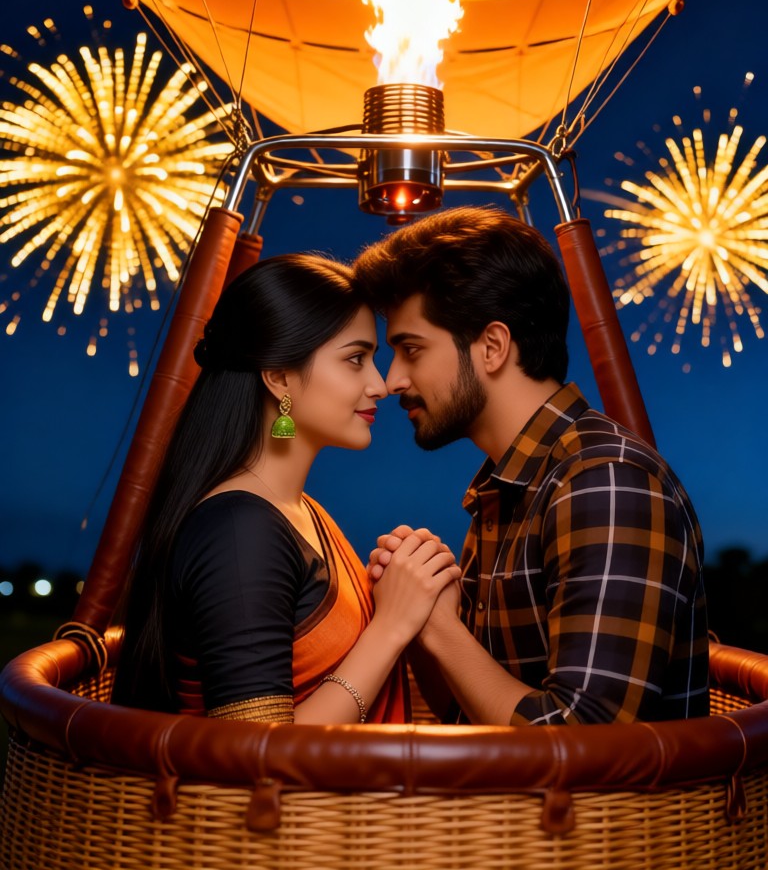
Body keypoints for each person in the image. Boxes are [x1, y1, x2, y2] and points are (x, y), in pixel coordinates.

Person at [356, 206, 709, 726]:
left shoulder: (603, 481)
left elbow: (584, 742)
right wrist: (415, 612)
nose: (392, 381)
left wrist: (439, 627)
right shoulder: (507, 487)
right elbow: (476, 713)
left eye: (411, 349)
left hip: (614, 810)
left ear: (492, 347)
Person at [112, 254, 460, 724]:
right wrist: (392, 625)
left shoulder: (299, 511)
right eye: (355, 359)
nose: (380, 385)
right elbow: (256, 755)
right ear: (278, 377)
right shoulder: (239, 531)